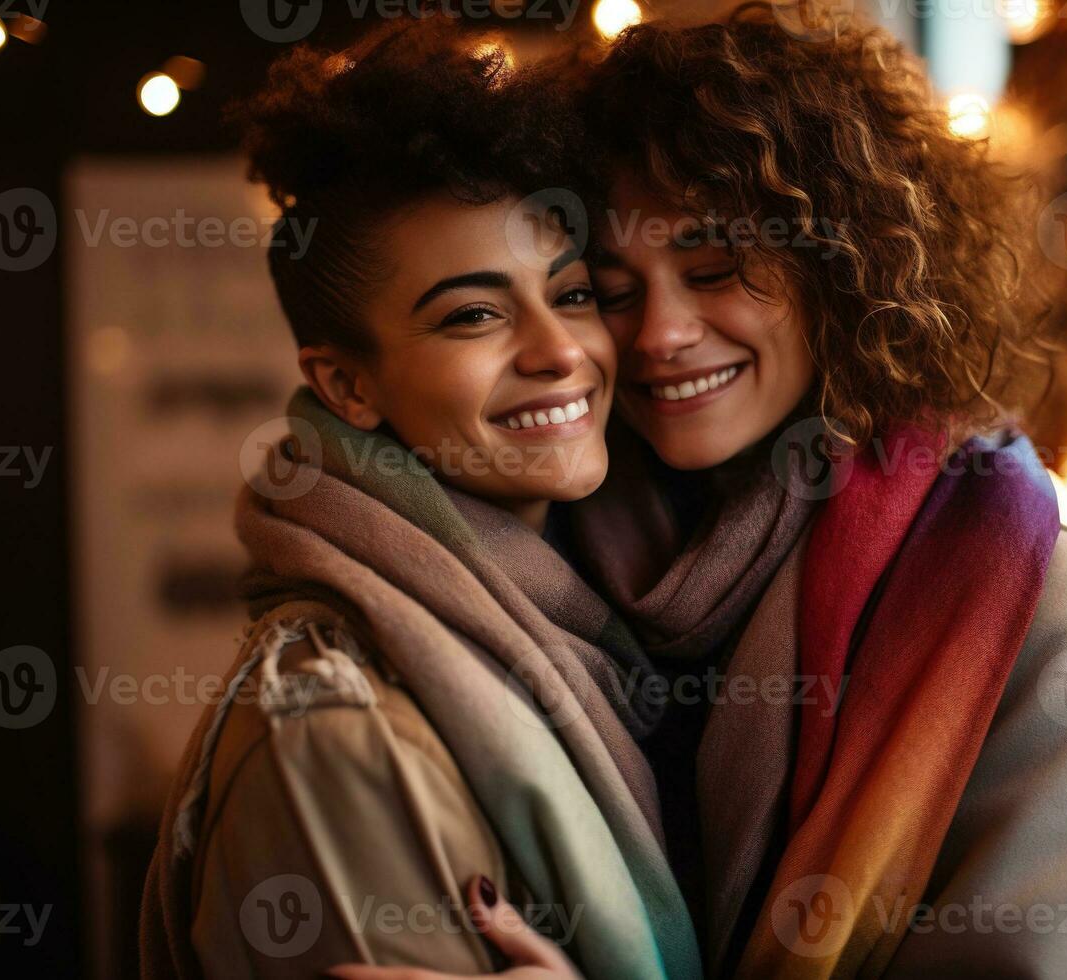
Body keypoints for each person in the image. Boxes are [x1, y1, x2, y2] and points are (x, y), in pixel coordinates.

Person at [340, 5, 1067, 979]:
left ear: (839, 268)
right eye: (610, 286)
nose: (659, 333)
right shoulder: (535, 555)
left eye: (715, 269)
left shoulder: (1026, 593)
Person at [138, 18, 698, 980]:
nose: (560, 351)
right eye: (474, 314)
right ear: (349, 386)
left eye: (570, 294)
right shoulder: (330, 732)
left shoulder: (598, 631)